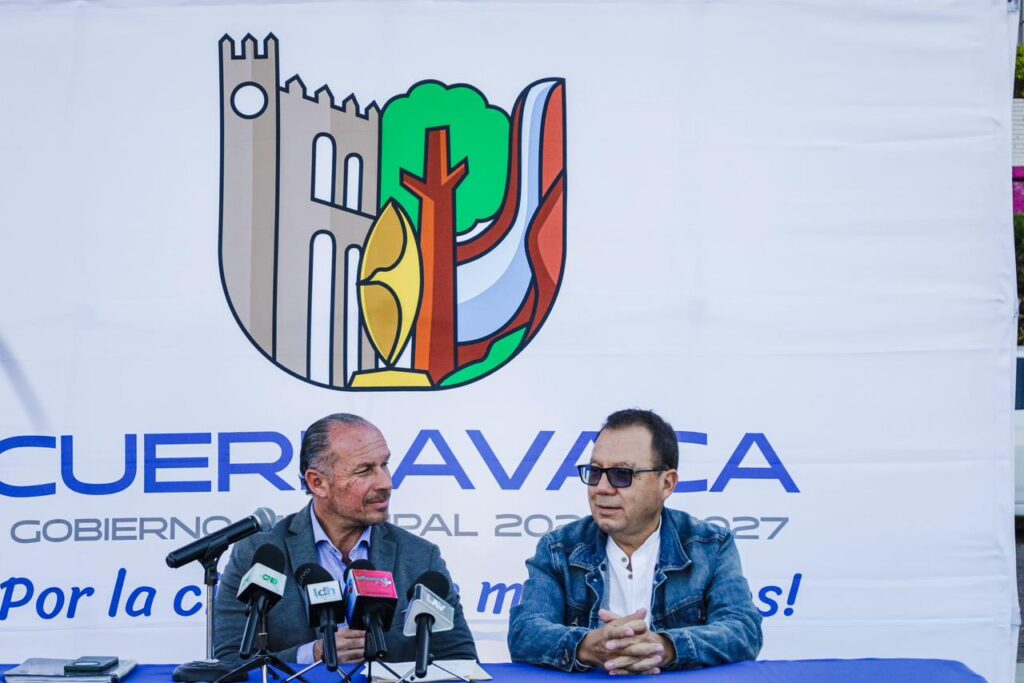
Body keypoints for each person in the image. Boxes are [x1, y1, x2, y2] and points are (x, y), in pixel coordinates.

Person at [508, 408, 762, 673]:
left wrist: (664, 647)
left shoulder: (711, 546)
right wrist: (587, 646)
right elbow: (525, 632)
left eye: (621, 474)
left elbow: (743, 630)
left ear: (667, 484)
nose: (601, 488)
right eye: (595, 472)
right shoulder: (558, 548)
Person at [213, 413, 477, 666]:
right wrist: (313, 654)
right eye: (365, 470)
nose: (386, 483)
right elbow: (230, 660)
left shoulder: (421, 556)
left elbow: (460, 658)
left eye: (384, 464)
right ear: (317, 483)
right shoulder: (258, 553)